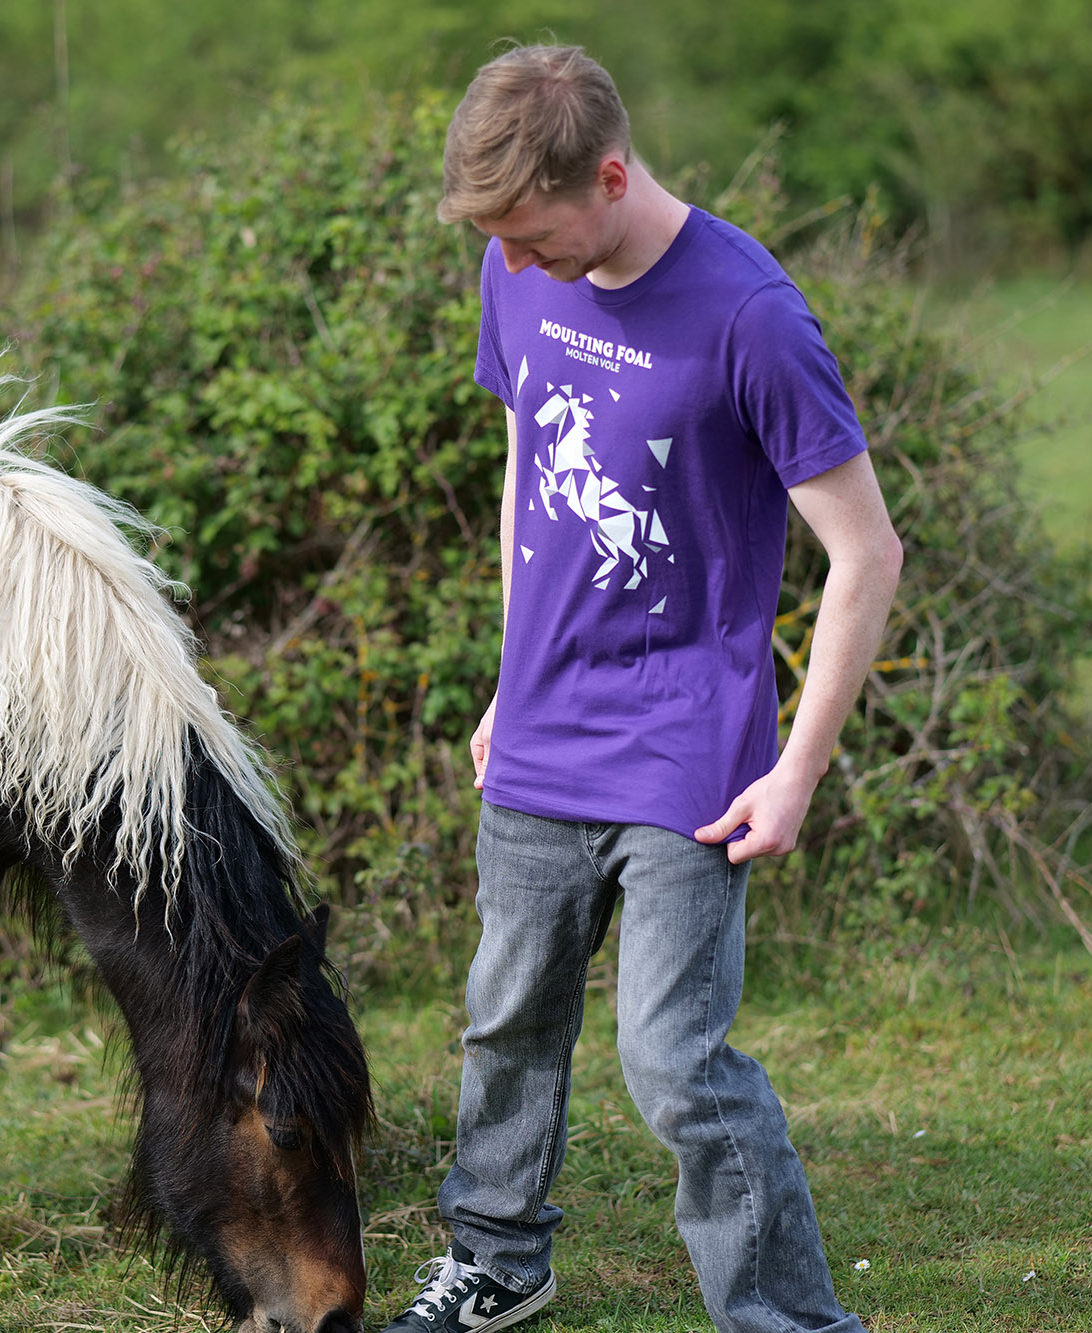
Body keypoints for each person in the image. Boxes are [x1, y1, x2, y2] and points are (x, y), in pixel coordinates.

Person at [382, 45, 901, 1333]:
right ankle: (498, 1261)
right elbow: (526, 472)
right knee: (505, 1021)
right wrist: (514, 678)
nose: (514, 263)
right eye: (496, 241)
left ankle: (788, 1322)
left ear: (610, 176)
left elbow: (867, 551)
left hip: (690, 753)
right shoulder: (515, 272)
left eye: (535, 236)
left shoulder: (751, 316)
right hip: (545, 729)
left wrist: (798, 771)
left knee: (674, 1063)